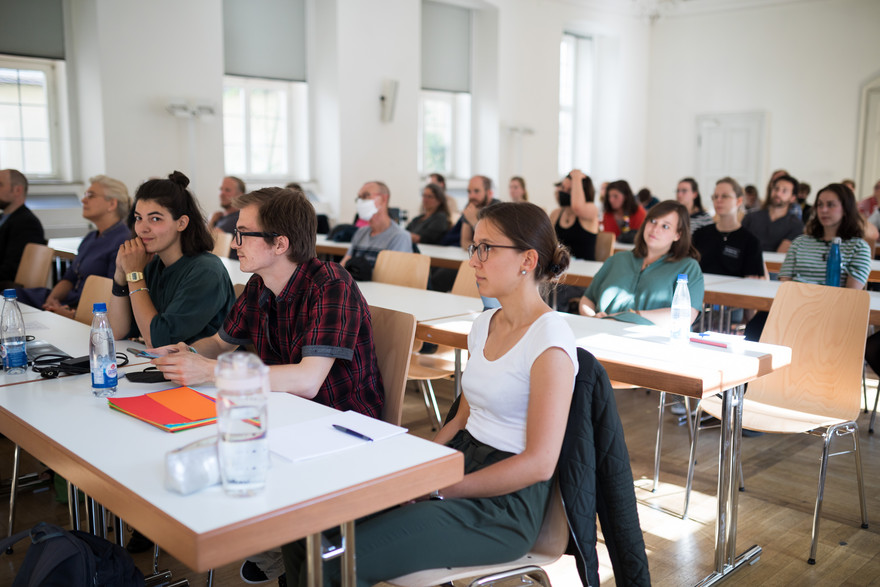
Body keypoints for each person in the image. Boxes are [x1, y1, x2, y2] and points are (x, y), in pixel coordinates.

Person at [281, 201, 577, 585]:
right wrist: (421, 471)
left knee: (335, 564)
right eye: (475, 248)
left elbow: (539, 463)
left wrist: (441, 487)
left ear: (528, 259)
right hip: (459, 463)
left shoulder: (549, 339)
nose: (474, 261)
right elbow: (459, 419)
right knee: (303, 519)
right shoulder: (485, 324)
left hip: (504, 506)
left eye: (487, 248)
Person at [108, 171, 235, 348]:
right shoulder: (152, 265)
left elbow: (158, 340)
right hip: (164, 367)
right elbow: (116, 331)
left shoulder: (206, 271)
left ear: (181, 223)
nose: (142, 228)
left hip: (207, 372)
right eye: (138, 218)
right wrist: (121, 274)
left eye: (155, 219)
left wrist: (135, 274)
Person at [746, 183, 871, 342]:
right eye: (820, 205)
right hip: (794, 307)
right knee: (754, 328)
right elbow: (786, 286)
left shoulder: (858, 247)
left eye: (830, 205)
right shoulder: (800, 242)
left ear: (846, 209)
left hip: (832, 314)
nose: (823, 210)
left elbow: (849, 297)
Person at [17, 175, 131, 316]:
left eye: (91, 195)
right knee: (13, 296)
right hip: (68, 301)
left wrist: (73, 314)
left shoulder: (123, 241)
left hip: (88, 310)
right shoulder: (91, 237)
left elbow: (112, 294)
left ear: (112, 204)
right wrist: (52, 299)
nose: (83, 200)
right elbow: (69, 278)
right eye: (85, 195)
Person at [579, 200, 704, 328]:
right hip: (600, 332)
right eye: (653, 221)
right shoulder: (618, 259)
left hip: (652, 342)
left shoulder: (688, 267)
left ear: (678, 235)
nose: (655, 229)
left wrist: (632, 315)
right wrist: (592, 318)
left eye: (665, 226)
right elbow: (587, 299)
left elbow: (685, 316)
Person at [693, 177, 765, 279]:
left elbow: (752, 283)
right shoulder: (699, 235)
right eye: (715, 196)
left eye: (725, 196)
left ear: (739, 201)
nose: (718, 200)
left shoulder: (750, 241)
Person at [340, 181, 412, 271]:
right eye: (359, 197)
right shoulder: (361, 233)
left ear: (384, 199)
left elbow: (391, 276)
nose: (360, 201)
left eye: (365, 196)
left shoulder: (399, 237)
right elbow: (342, 268)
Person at [0, 169, 46, 288]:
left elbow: (11, 270)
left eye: (0, 185)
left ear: (17, 190)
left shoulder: (27, 223)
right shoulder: (3, 218)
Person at [741, 174, 804, 252]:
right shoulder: (750, 217)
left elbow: (780, 256)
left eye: (784, 191)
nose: (778, 193)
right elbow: (739, 246)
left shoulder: (796, 225)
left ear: (792, 198)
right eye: (776, 188)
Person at [550, 169, 599, 261]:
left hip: (585, 269)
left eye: (570, 190)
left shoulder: (592, 209)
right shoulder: (556, 213)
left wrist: (576, 177)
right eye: (563, 188)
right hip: (562, 268)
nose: (564, 192)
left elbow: (577, 207)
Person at [439, 175, 496, 248]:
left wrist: (474, 221)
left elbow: (492, 244)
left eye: (476, 191)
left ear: (489, 193)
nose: (471, 196)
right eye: (469, 191)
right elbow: (464, 242)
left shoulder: (497, 210)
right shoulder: (470, 206)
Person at [601, 180, 646, 244]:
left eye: (615, 196)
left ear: (626, 196)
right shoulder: (607, 214)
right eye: (609, 196)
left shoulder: (640, 213)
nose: (611, 200)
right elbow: (607, 239)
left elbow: (640, 238)